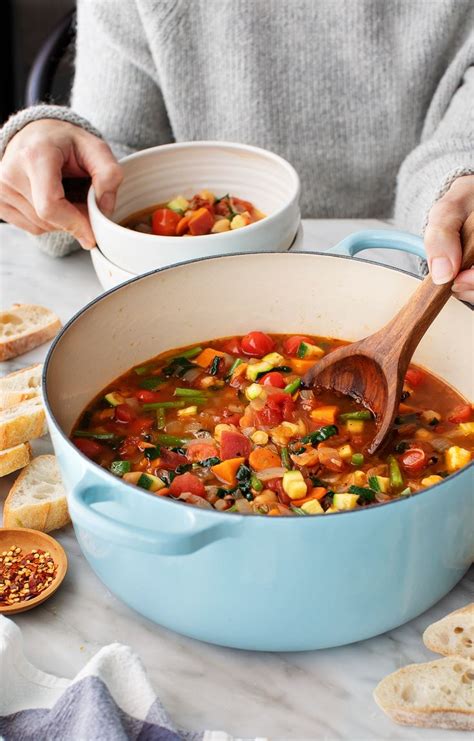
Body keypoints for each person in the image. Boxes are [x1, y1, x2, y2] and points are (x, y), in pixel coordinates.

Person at [0, 0, 472, 303]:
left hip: (397, 275)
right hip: (172, 297)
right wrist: (48, 162)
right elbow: (110, 164)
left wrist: (456, 207)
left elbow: (458, 150)